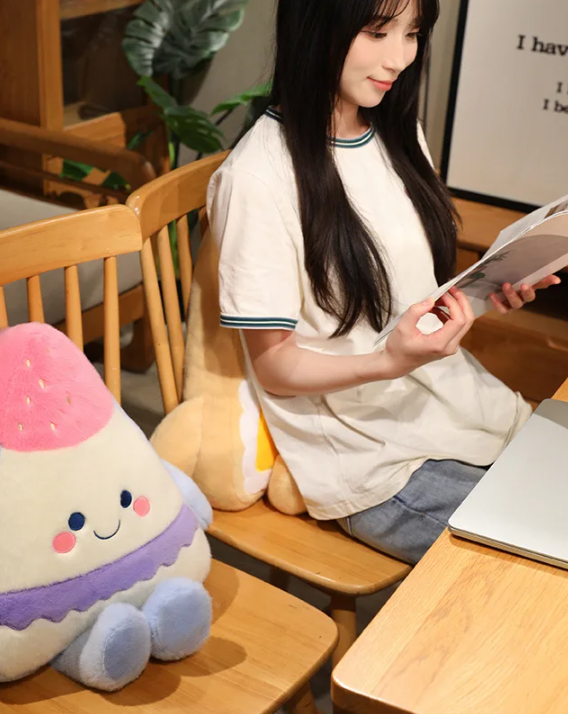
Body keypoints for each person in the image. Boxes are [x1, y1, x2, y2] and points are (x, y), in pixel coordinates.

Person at [206, 0, 561, 564]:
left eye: (412, 33)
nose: (399, 58)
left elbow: (406, 293)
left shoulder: (396, 132)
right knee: (540, 559)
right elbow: (275, 367)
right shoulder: (257, 178)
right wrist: (390, 361)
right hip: (373, 457)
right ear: (315, 25)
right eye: (377, 32)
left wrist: (488, 288)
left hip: (458, 403)